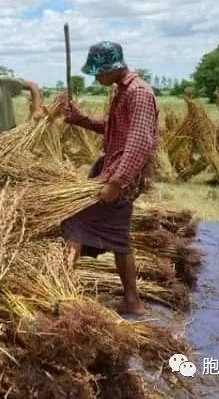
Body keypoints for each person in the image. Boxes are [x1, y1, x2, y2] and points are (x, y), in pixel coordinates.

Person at [62, 41, 159, 316]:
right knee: (117, 236)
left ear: (112, 67)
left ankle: (62, 294)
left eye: (97, 72)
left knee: (74, 222)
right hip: (114, 171)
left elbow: (140, 142)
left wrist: (116, 182)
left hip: (121, 178)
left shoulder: (138, 93)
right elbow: (115, 129)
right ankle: (132, 301)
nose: (96, 78)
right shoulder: (122, 91)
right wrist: (82, 121)